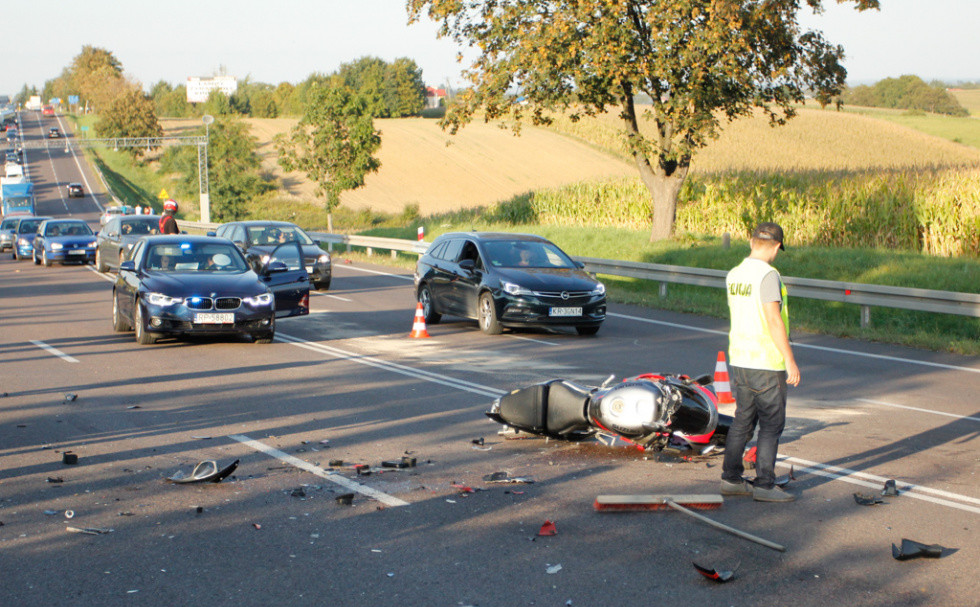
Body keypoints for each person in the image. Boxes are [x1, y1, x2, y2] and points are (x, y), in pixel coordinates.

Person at [720, 222, 800, 503]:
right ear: (777, 246)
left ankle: (730, 480)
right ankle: (765, 485)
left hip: (741, 358)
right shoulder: (768, 275)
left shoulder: (735, 274)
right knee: (771, 424)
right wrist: (790, 360)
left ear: (751, 241)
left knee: (742, 420)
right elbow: (773, 319)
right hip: (767, 361)